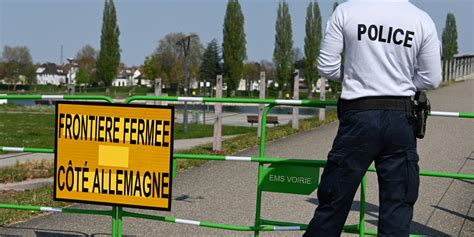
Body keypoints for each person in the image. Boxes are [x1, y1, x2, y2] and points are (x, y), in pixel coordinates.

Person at [304, 0, 441, 236]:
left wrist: (359, 72)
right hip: (401, 117)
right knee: (397, 206)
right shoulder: (421, 20)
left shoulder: (346, 11)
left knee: (334, 200)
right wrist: (401, 81)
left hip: (358, 116)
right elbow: (431, 79)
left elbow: (326, 67)